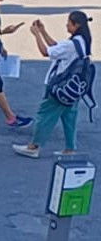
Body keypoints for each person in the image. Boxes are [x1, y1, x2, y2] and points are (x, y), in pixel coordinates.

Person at [15, 12, 94, 158]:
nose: (66, 25)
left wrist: (36, 34)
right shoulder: (82, 41)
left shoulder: (71, 44)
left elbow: (46, 52)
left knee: (44, 115)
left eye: (69, 23)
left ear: (76, 25)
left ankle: (34, 146)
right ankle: (70, 148)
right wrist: (44, 32)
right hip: (74, 87)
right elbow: (57, 47)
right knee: (69, 117)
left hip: (60, 87)